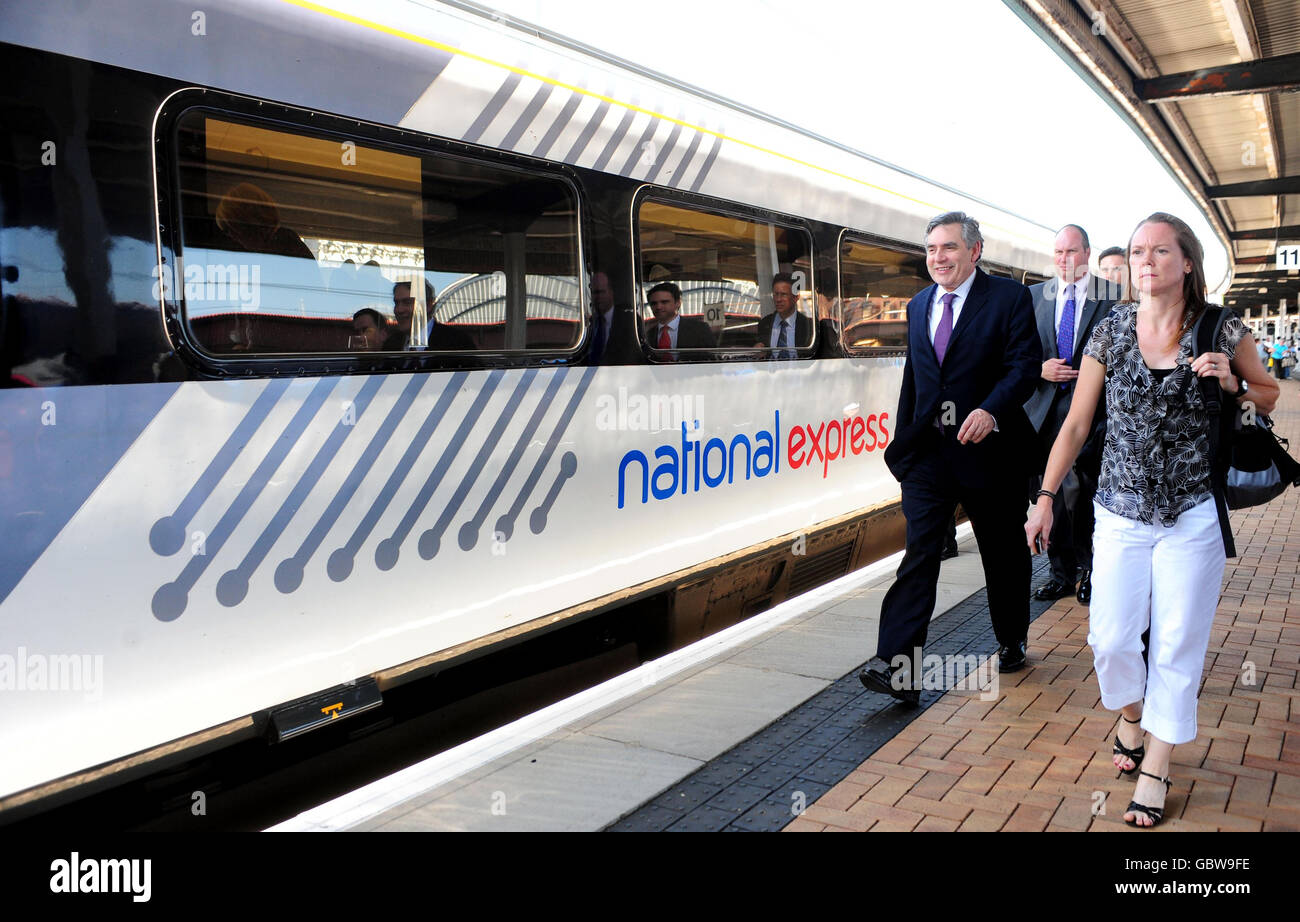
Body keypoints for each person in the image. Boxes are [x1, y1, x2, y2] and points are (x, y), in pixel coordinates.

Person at [1026, 212, 1277, 827]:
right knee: (1110, 639)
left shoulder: (1222, 328)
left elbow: (1266, 392)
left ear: (1186, 262)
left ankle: (1159, 764)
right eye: (1138, 251)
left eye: (1159, 251)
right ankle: (1132, 718)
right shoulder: (1110, 331)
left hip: (1192, 516)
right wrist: (1044, 494)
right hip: (1118, 511)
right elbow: (1078, 423)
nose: (1145, 261)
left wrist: (1232, 387)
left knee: (1176, 642)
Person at [858, 211, 1041, 705]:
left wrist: (990, 410)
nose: (939, 258)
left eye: (950, 248)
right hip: (931, 456)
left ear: (974, 251)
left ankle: (1011, 635)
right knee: (920, 554)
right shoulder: (919, 305)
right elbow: (916, 381)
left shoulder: (1008, 298)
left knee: (1002, 554)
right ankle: (900, 670)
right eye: (932, 249)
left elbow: (1024, 368)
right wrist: (903, 449)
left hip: (990, 452)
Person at [1023, 225, 1122, 605]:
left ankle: (1094, 571)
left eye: (1071, 252)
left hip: (1096, 414)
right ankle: (1061, 573)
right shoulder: (1034, 297)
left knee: (1090, 494)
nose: (1064, 260)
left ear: (1086, 253)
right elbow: (1018, 352)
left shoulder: (1113, 296)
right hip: (1046, 412)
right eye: (1058, 253)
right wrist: (1039, 370)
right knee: (1055, 498)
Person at [385, 280, 474, 352]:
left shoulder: (457, 342)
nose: (399, 310)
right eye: (396, 303)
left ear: (428, 306)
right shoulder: (391, 345)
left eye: (407, 302)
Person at [644, 282, 715, 353]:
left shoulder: (699, 329)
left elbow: (711, 358)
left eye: (664, 302)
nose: (658, 307)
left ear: (678, 303)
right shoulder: (647, 335)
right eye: (654, 303)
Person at [755, 272, 813, 358]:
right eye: (776, 294)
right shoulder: (764, 324)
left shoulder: (809, 326)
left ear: (796, 297)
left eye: (783, 294)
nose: (778, 299)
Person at [588, 271, 616, 364]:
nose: (598, 297)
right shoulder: (590, 323)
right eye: (594, 293)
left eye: (601, 292)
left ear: (611, 292)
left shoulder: (629, 320)